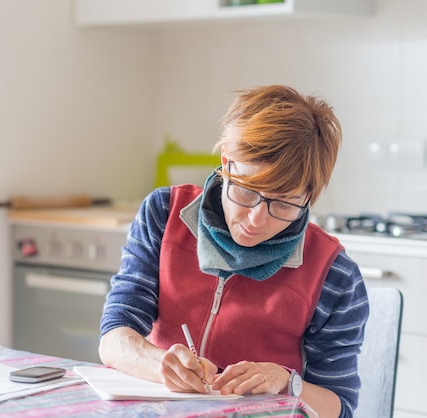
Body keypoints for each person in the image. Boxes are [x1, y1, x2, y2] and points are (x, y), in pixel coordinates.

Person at [98, 85, 369, 418]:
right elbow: (114, 338)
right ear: (226, 162)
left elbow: (339, 406)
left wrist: (286, 382)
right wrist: (158, 364)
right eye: (246, 190)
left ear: (309, 197)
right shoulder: (163, 214)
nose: (257, 219)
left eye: (283, 203)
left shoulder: (334, 275)